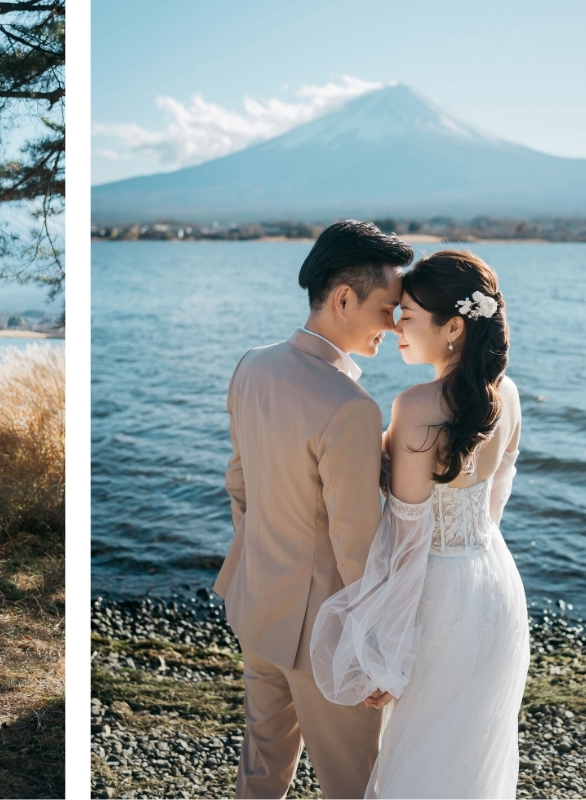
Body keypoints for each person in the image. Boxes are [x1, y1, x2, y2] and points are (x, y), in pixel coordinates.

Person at [311, 250, 528, 798]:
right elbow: (497, 493)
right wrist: (472, 547)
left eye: (406, 316)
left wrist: (387, 653)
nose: (395, 326)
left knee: (421, 754)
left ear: (454, 327)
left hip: (440, 594)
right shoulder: (507, 396)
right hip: (495, 582)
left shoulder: (416, 406)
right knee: (468, 749)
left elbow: (407, 541)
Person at [214, 220, 413, 798]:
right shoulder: (350, 407)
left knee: (261, 769)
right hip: (324, 636)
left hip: (255, 607)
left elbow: (239, 483)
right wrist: (375, 651)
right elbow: (358, 548)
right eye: (387, 308)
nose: (395, 325)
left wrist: (262, 564)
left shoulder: (251, 365)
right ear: (344, 298)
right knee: (352, 784)